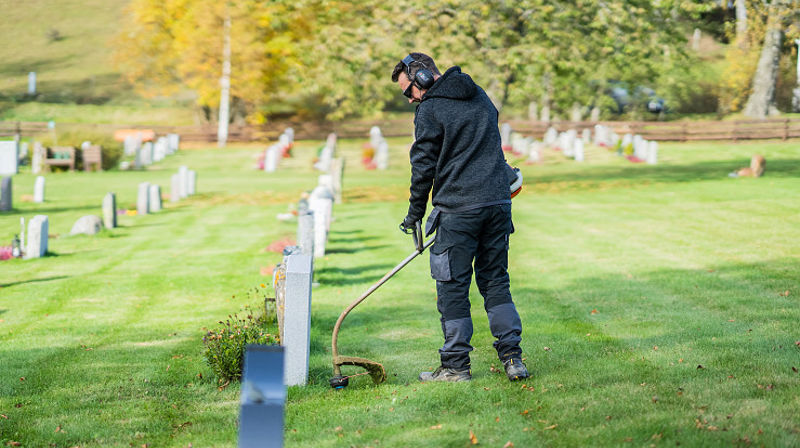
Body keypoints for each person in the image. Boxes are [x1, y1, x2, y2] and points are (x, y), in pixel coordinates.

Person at [392, 53, 528, 382]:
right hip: (497, 203)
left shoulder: (431, 109)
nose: (410, 99)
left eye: (408, 90)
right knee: (495, 281)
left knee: (452, 287)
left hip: (458, 210)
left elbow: (422, 165)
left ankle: (455, 367)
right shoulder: (479, 93)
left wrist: (414, 212)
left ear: (422, 77)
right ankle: (513, 359)